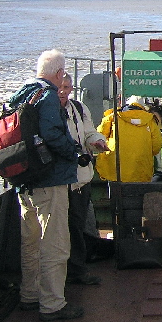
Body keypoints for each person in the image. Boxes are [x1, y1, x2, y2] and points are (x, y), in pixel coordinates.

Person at [13, 50, 83, 321]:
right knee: (54, 243)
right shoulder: (49, 96)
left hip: (24, 180)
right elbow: (52, 134)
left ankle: (29, 294)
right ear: (58, 73)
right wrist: (73, 152)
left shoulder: (22, 93)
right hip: (49, 181)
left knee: (30, 242)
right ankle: (53, 304)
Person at [58, 73, 109, 286]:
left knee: (76, 225)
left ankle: (77, 270)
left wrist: (98, 141)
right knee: (58, 229)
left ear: (72, 89)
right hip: (57, 180)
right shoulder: (48, 111)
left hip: (80, 179)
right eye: (59, 87)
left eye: (67, 87)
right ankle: (57, 274)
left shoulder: (78, 109)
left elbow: (89, 133)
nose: (63, 91)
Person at [95, 100, 162, 182]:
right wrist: (146, 153)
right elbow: (157, 144)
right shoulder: (149, 120)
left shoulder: (113, 117)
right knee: (139, 188)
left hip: (115, 167)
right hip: (141, 167)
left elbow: (99, 136)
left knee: (115, 187)